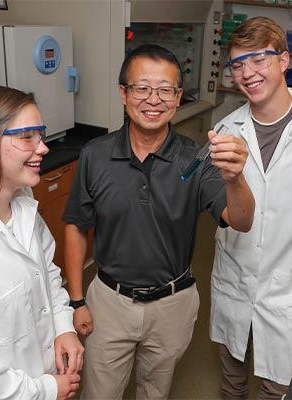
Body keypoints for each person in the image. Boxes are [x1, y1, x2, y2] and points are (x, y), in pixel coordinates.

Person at [63, 44, 255, 400]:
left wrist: (236, 178)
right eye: (142, 88)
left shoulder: (197, 159)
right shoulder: (95, 155)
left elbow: (241, 220)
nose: (154, 99)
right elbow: (76, 225)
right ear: (123, 93)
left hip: (172, 305)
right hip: (109, 302)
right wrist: (76, 301)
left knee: (156, 392)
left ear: (178, 96)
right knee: (98, 394)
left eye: (166, 89)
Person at [210, 16, 292, 400]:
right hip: (235, 280)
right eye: (238, 64)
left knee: (280, 388)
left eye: (258, 60)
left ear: (283, 60)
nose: (247, 73)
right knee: (231, 382)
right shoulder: (224, 131)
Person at [0, 84, 84, 400]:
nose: (44, 147)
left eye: (41, 134)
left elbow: (47, 273)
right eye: (27, 137)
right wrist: (45, 390)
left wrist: (63, 326)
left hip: (45, 373)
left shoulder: (22, 201)